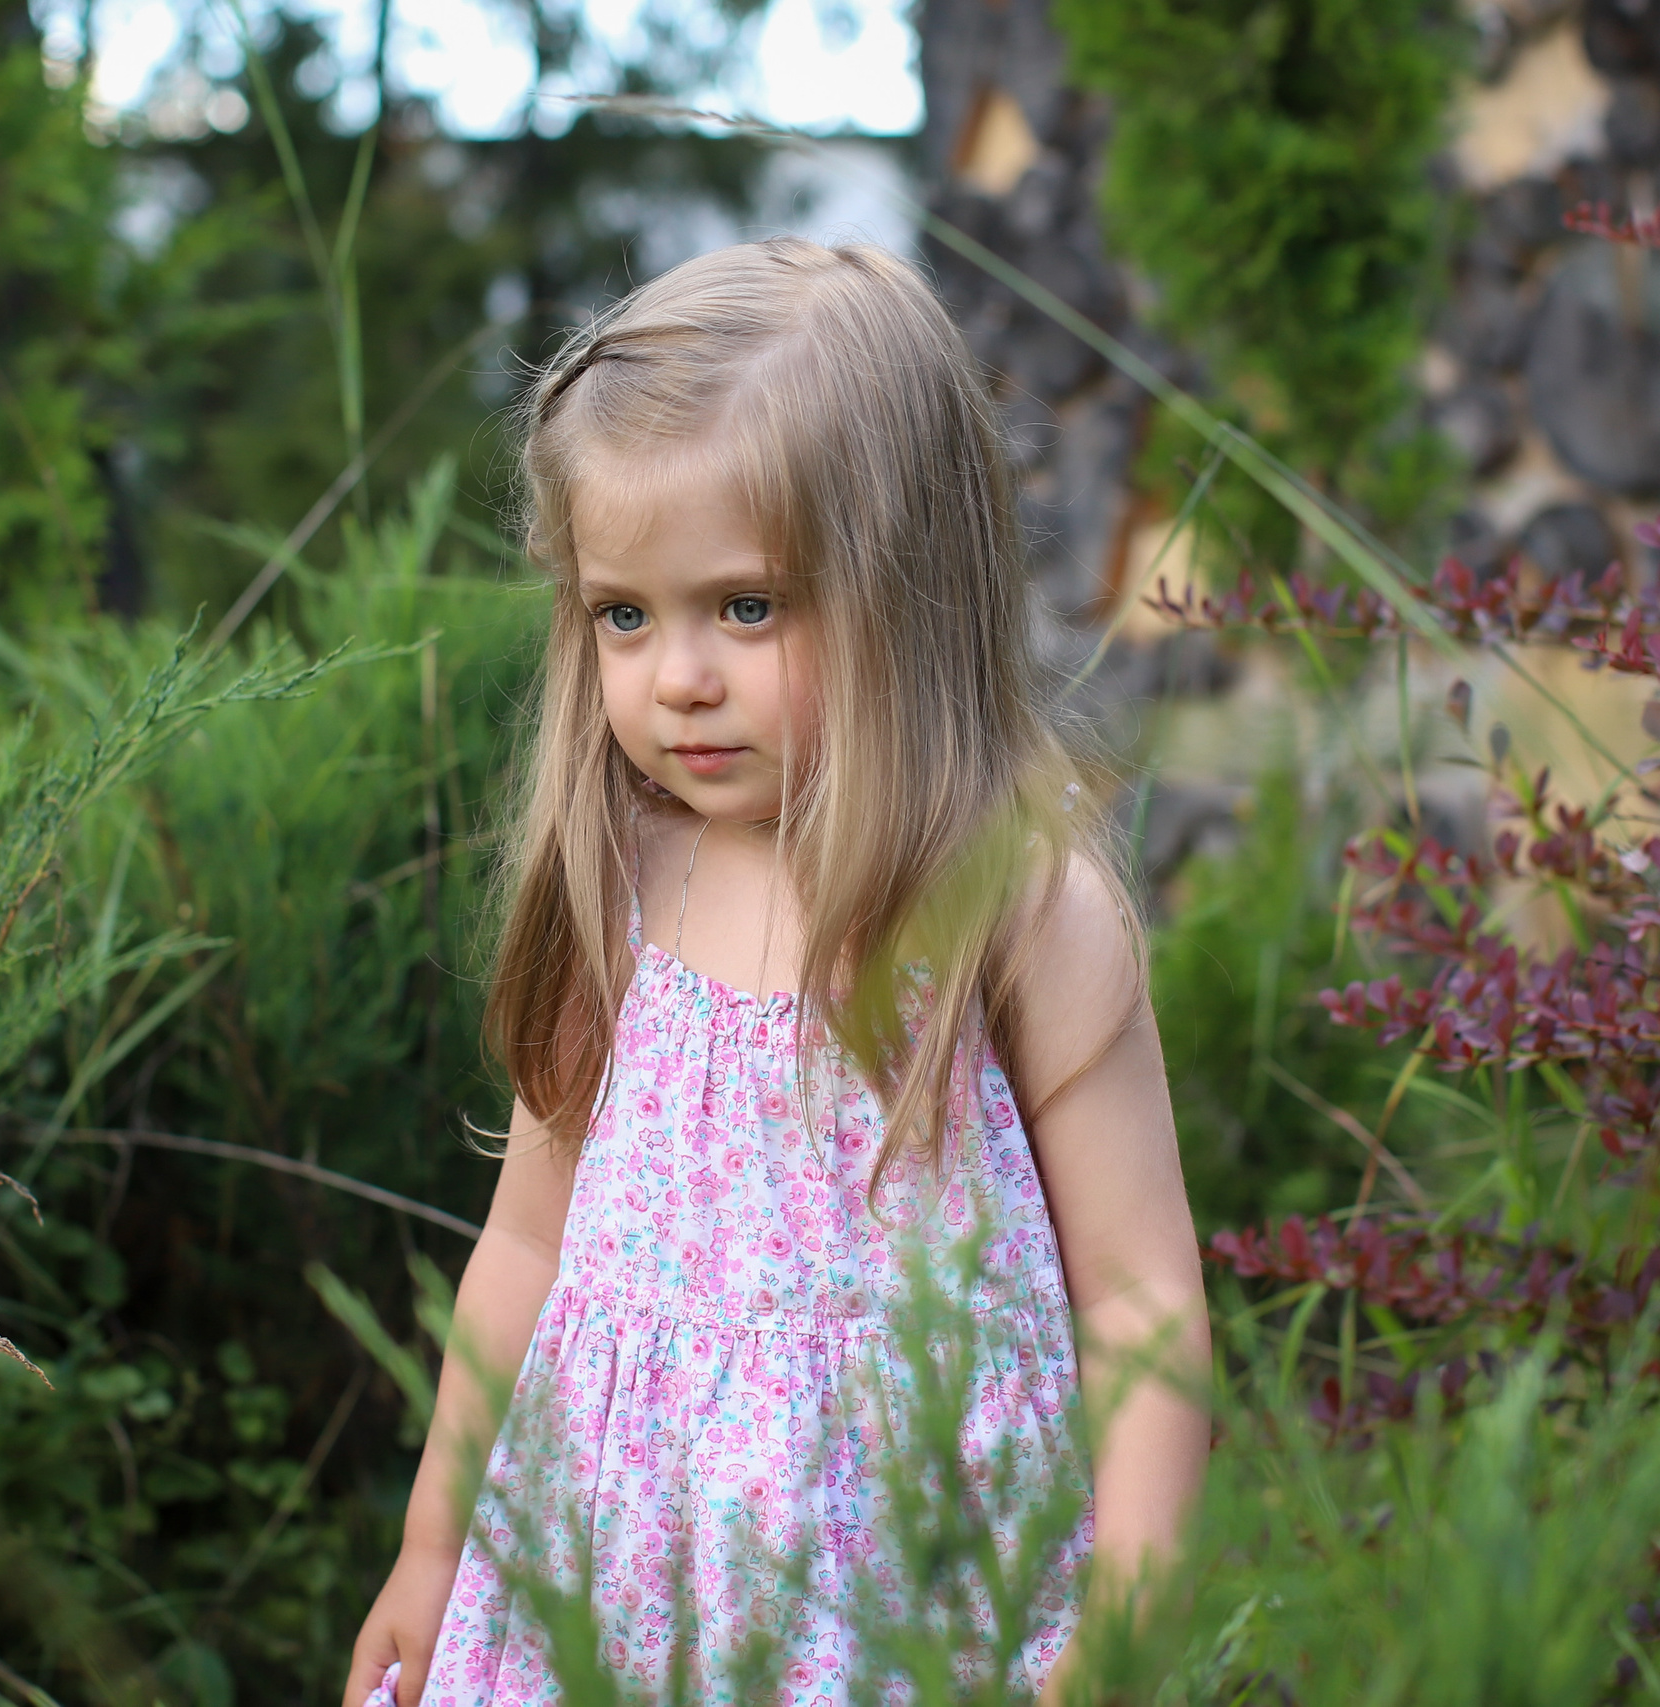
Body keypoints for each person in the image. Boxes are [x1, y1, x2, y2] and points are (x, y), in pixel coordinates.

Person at [342, 239, 1209, 1706]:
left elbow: (1142, 1304)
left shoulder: (1013, 910)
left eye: (746, 607)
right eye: (624, 614)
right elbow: (528, 1250)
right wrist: (435, 1548)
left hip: (907, 1604)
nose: (677, 678)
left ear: (910, 588)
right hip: (614, 1590)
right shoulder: (622, 888)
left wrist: (1120, 1628)